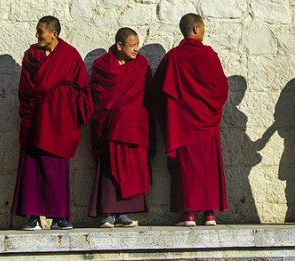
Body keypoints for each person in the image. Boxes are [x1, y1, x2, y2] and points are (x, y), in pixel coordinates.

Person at [12, 16, 93, 231]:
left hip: (58, 122)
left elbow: (82, 91)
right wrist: (45, 94)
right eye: (37, 31)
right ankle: (32, 217)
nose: (37, 35)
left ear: (53, 34)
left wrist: (56, 96)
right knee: (31, 169)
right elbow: (26, 88)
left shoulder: (69, 56)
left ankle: (59, 217)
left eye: (40, 31)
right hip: (34, 119)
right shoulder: (31, 57)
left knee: (55, 169)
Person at [152, 14, 228, 226]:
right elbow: (221, 88)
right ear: (195, 29)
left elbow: (157, 90)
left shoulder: (174, 57)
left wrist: (171, 114)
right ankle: (210, 214)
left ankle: (189, 215)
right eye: (203, 28)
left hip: (183, 124)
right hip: (207, 121)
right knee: (209, 167)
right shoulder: (209, 55)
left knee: (187, 169)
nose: (205, 31)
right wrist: (211, 108)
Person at [88, 27, 153, 228]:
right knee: (109, 170)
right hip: (110, 126)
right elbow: (97, 96)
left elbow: (148, 94)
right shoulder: (102, 66)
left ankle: (124, 212)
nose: (136, 49)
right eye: (132, 46)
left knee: (131, 170)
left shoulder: (141, 64)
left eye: (137, 45)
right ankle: (107, 213)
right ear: (119, 45)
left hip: (134, 126)